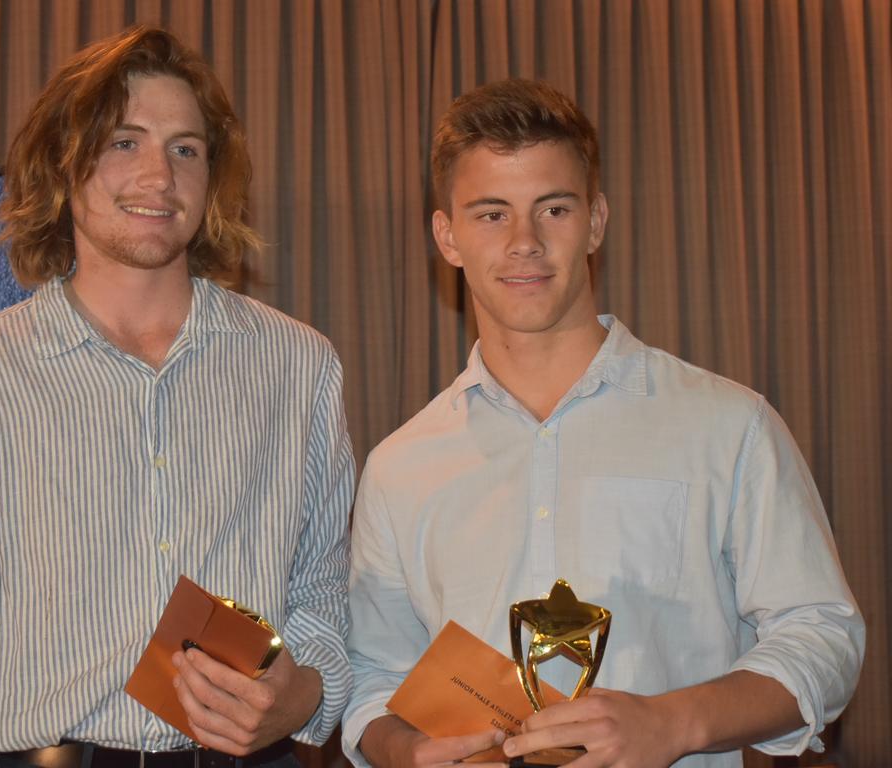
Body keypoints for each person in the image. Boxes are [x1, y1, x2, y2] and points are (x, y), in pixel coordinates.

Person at [341, 79, 864, 768]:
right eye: (491, 214)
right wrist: (410, 754)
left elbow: (822, 634)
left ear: (595, 221)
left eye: (552, 209)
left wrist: (672, 723)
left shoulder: (729, 425)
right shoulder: (400, 466)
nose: (524, 242)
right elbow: (375, 680)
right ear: (448, 236)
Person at [0, 26, 354, 768]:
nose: (159, 178)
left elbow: (322, 595)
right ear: (62, 164)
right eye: (124, 142)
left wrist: (306, 696)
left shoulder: (299, 366)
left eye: (186, 149)